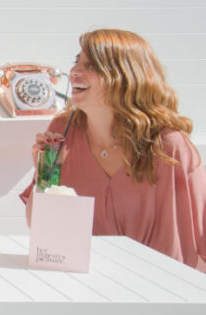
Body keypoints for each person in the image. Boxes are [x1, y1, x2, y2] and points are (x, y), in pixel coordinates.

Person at [23, 29, 205, 271]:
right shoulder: (63, 133)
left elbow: (199, 244)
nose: (75, 72)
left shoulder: (169, 147)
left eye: (91, 65)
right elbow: (39, 226)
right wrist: (45, 174)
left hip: (154, 290)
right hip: (85, 286)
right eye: (77, 61)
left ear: (123, 77)